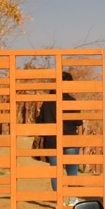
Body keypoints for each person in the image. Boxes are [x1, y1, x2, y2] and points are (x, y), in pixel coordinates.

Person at [37, 71, 82, 201]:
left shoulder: (47, 102)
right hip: (70, 141)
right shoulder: (72, 101)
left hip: (52, 141)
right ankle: (72, 200)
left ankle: (58, 200)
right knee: (72, 171)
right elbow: (78, 122)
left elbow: (40, 121)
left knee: (55, 172)